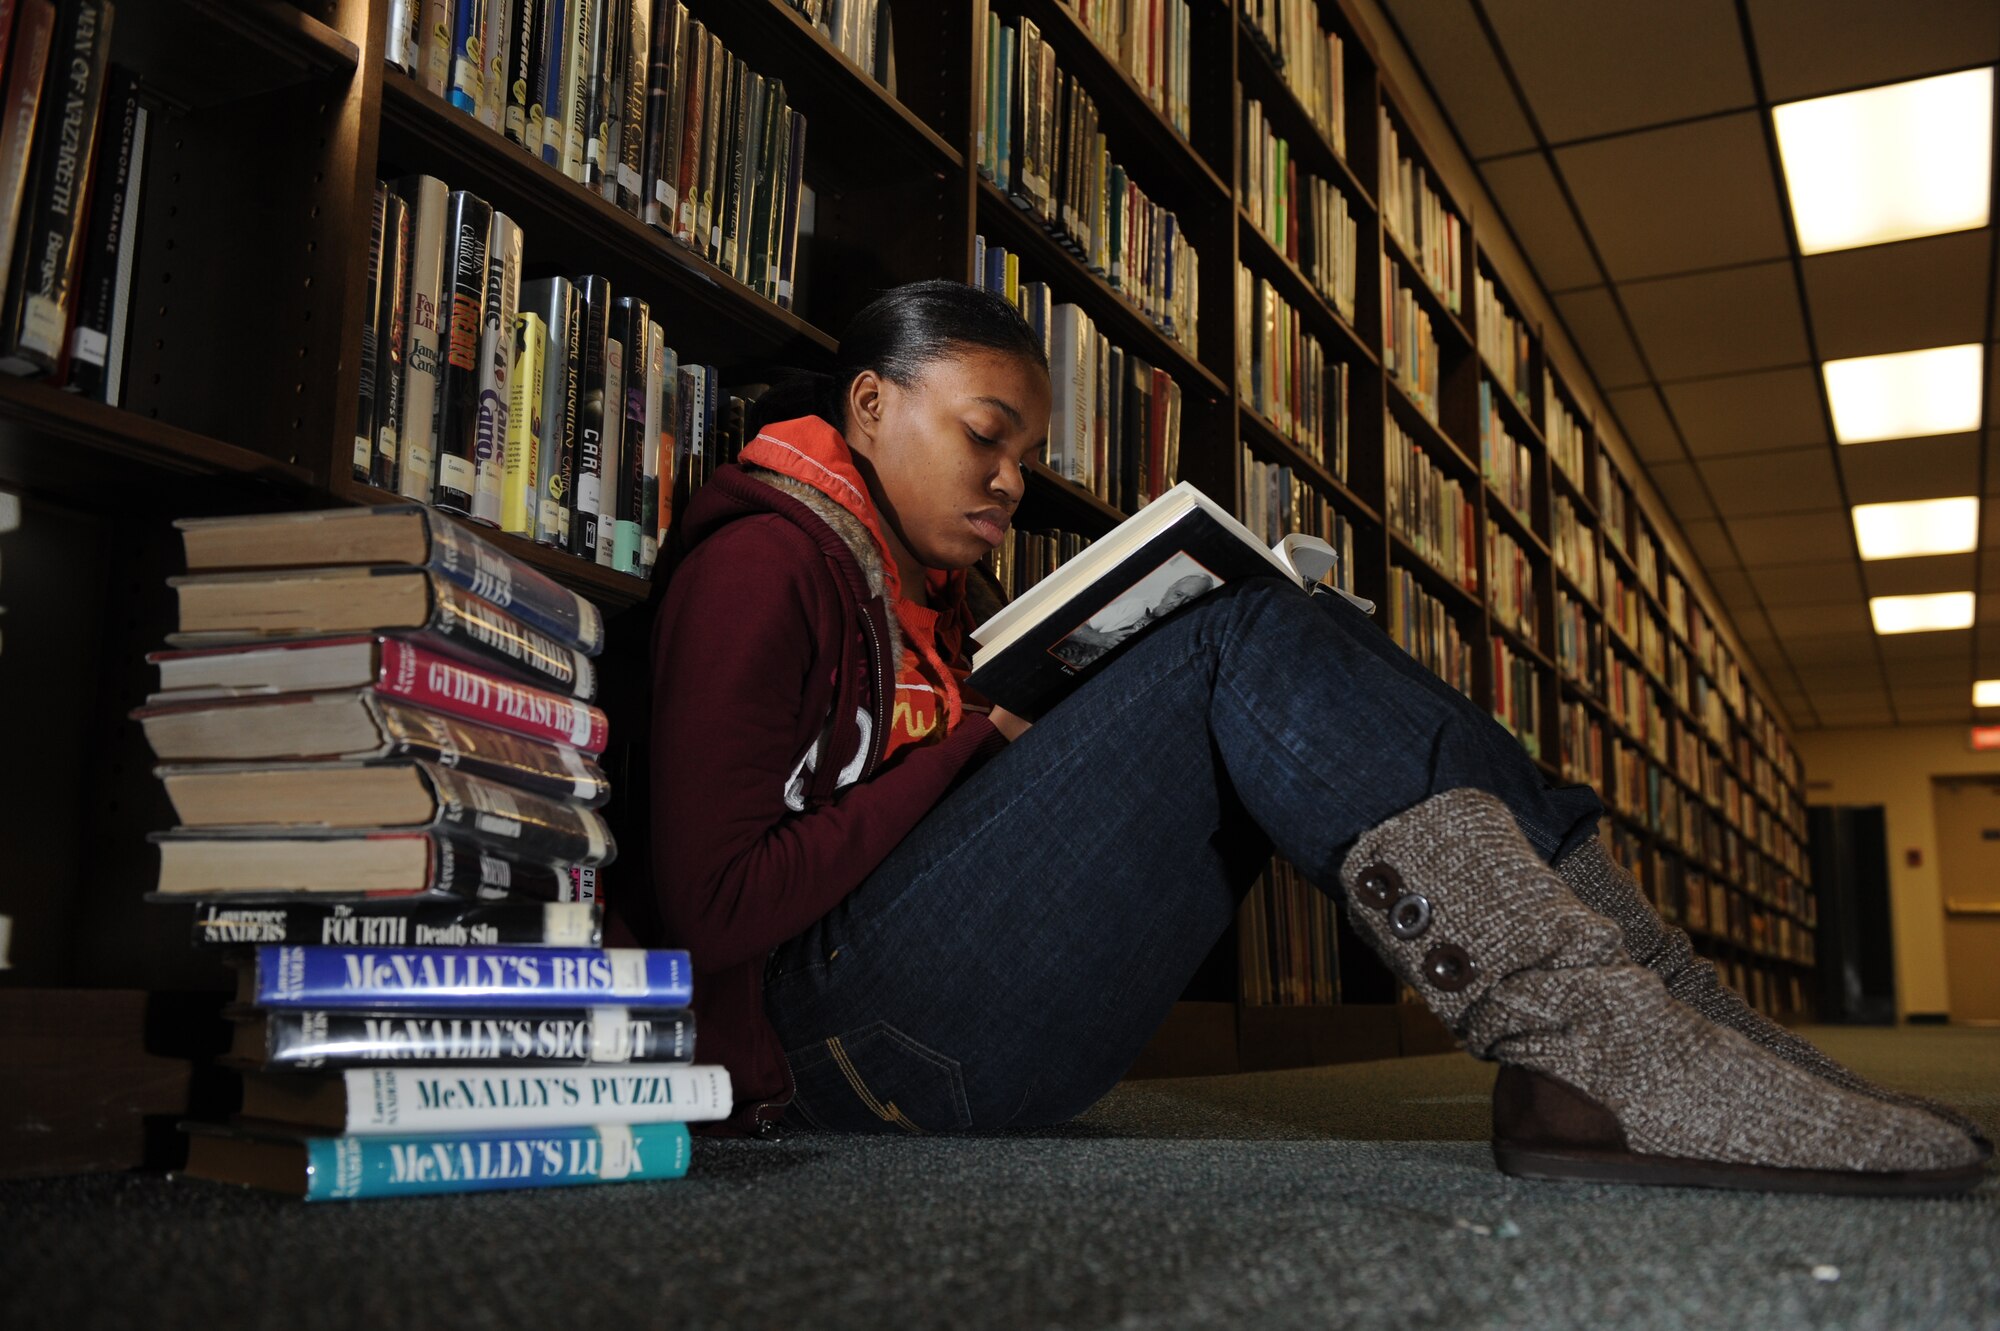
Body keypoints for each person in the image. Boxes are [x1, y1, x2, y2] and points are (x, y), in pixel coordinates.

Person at [621, 280, 1987, 1194]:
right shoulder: (769, 563)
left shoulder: (912, 597)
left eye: (1024, 451)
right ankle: (1597, 1039)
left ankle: (1661, 1004)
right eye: (986, 434)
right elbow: (713, 901)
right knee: (1247, 641)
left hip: (932, 1015)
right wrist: (970, 748)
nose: (1009, 478)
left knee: (1282, 617)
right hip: (832, 1058)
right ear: (869, 405)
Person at [1052, 571, 1217, 669]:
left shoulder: (1181, 635)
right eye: (1178, 595)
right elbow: (1068, 625)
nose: (1178, 603)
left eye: (1190, 600)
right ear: (1169, 589)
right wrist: (1101, 639)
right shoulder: (1136, 606)